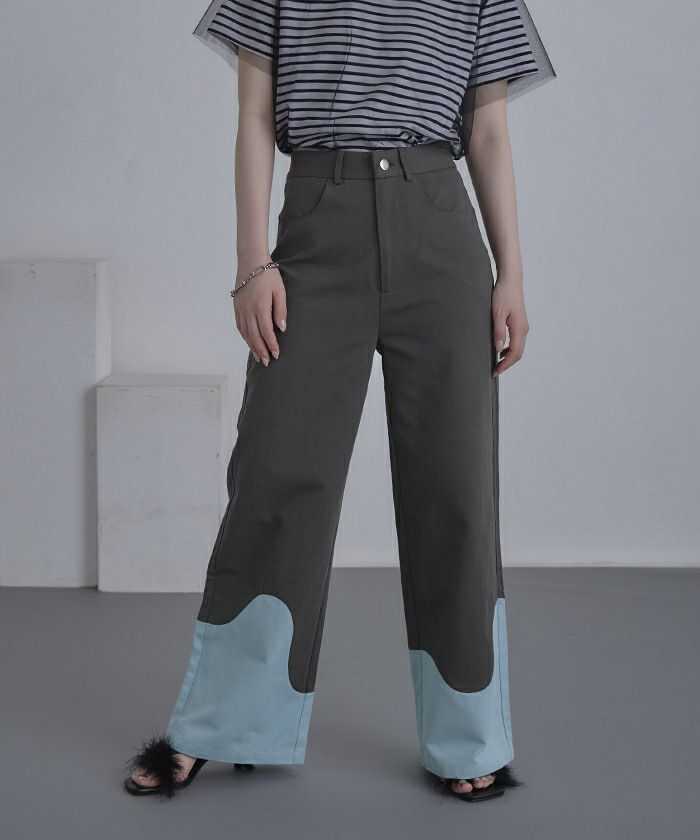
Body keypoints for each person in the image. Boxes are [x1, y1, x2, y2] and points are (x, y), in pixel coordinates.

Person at [123, 0, 556, 803]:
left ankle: (469, 738)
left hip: (440, 229)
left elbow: (489, 131)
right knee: (277, 475)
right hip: (317, 228)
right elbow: (255, 114)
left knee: (455, 491)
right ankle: (221, 726)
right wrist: (252, 262)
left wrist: (513, 276)